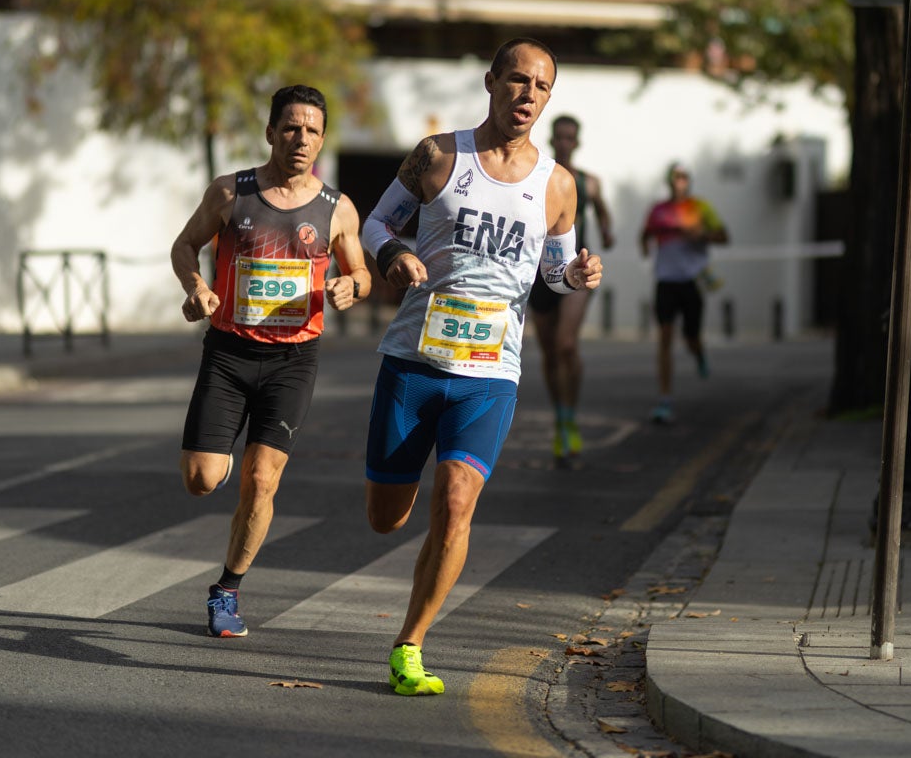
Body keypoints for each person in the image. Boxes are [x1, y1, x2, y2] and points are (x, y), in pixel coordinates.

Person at [359, 38, 603, 696]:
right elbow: (376, 225)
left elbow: (552, 268)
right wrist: (393, 259)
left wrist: (575, 274)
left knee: (458, 502)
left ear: (550, 98)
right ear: (491, 82)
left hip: (491, 372)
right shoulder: (439, 157)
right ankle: (403, 578)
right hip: (413, 362)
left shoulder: (557, 185)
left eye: (541, 86)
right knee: (387, 516)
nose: (527, 95)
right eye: (517, 80)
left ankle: (409, 644)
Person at [170, 84, 371, 638]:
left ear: (323, 139)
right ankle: (220, 455)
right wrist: (197, 288)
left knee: (262, 481)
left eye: (311, 130)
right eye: (290, 128)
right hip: (229, 353)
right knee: (201, 480)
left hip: (293, 362)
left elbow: (361, 272)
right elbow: (184, 245)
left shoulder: (337, 207)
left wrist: (352, 286)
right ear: (270, 132)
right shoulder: (230, 193)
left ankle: (227, 590)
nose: (300, 139)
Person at [528, 115, 614, 465]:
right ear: (552, 139)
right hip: (538, 273)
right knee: (549, 352)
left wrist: (606, 232)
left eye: (570, 138)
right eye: (559, 137)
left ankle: (570, 415)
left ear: (576, 142)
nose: (564, 142)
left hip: (575, 271)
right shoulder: (538, 176)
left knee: (566, 344)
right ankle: (561, 418)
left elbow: (604, 213)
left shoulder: (588, 183)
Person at [639, 160, 728, 425]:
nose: (680, 181)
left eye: (684, 177)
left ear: (690, 181)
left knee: (691, 338)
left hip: (691, 281)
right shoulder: (658, 210)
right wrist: (645, 249)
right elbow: (644, 234)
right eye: (676, 177)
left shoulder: (700, 208)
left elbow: (724, 236)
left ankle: (698, 352)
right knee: (664, 338)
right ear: (669, 180)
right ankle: (665, 400)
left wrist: (700, 236)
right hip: (665, 281)